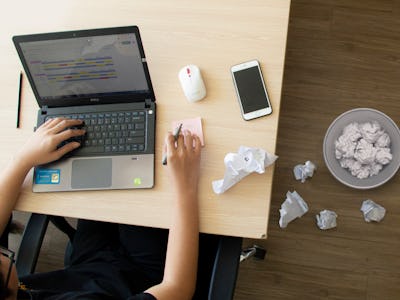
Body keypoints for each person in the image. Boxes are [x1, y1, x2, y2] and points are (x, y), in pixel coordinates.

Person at [0, 117, 204, 299]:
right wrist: (186, 187)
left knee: (113, 170)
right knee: (146, 182)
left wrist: (23, 159)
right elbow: (178, 289)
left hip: (88, 264)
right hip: (141, 276)